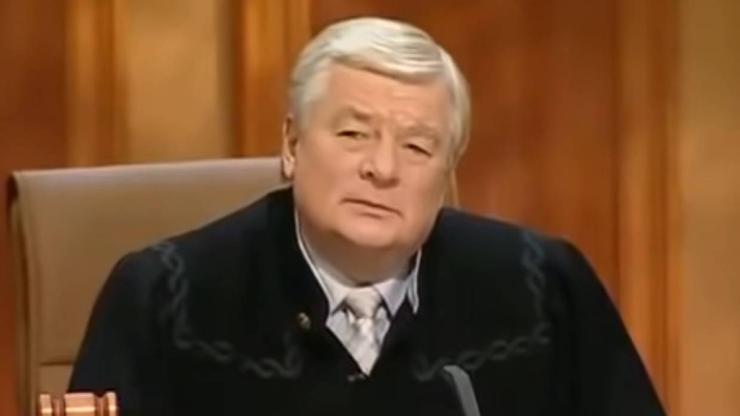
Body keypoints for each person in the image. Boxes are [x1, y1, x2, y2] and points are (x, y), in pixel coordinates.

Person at [69, 17, 665, 416]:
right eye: (354, 134)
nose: (382, 168)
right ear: (291, 144)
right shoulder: (163, 298)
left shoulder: (543, 288)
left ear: (448, 170)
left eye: (417, 146)